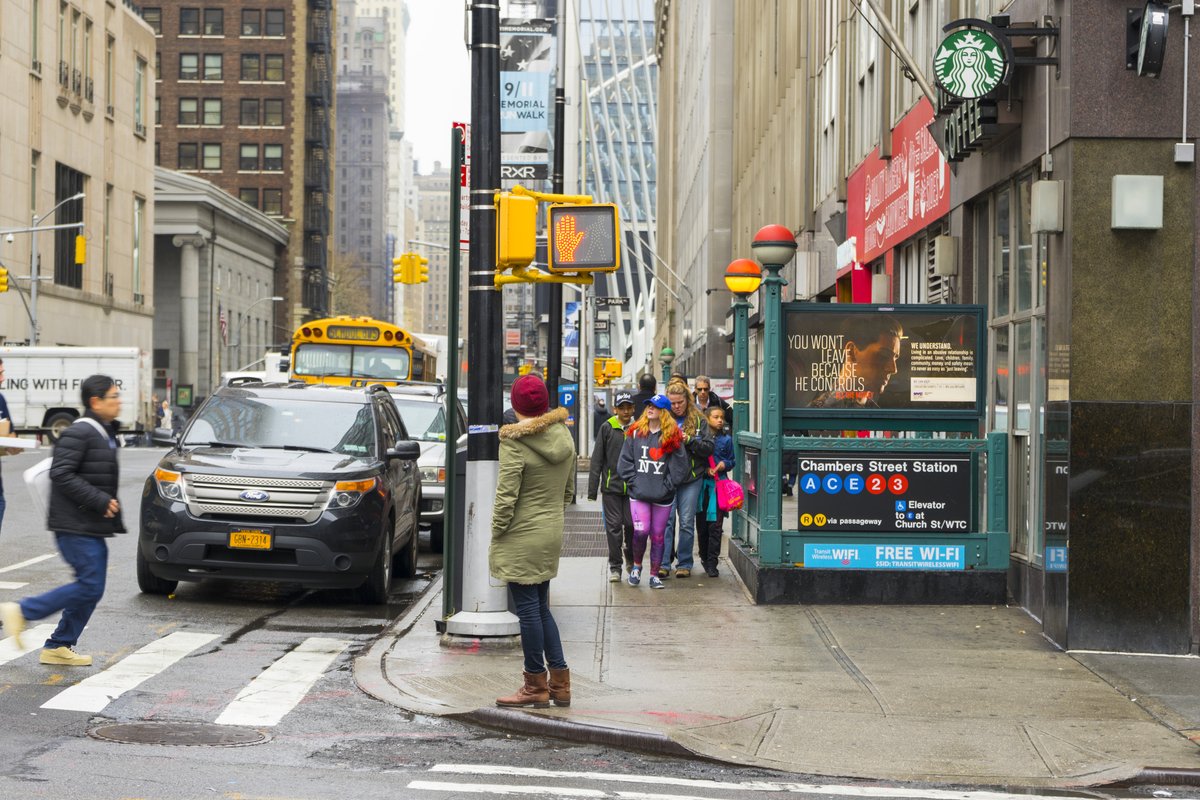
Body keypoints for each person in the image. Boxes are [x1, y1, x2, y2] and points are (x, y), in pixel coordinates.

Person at [0, 375, 126, 666]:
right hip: (73, 525)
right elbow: (61, 473)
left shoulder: (103, 431)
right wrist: (99, 500)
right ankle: (23, 611)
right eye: (113, 396)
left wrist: (106, 507)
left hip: (89, 523)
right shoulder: (80, 432)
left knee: (91, 587)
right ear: (95, 401)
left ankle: (59, 644)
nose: (118, 402)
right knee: (90, 586)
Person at [491, 374, 577, 709]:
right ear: (543, 403)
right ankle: (560, 684)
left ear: (516, 406)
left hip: (520, 534)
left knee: (527, 610)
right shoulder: (563, 436)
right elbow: (569, 492)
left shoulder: (514, 441)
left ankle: (534, 685)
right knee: (541, 607)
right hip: (550, 530)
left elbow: (506, 495)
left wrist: (497, 530)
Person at [617, 394, 688, 589]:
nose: (650, 408)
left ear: (663, 412)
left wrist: (667, 486)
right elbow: (624, 462)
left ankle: (654, 574)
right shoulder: (635, 432)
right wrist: (635, 482)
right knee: (640, 531)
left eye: (655, 406)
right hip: (639, 494)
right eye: (648, 405)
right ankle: (637, 567)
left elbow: (680, 467)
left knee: (658, 536)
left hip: (662, 497)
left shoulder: (672, 436)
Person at [660, 379, 713, 579]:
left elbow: (708, 448)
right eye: (672, 403)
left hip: (692, 478)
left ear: (687, 400)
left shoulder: (700, 420)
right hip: (668, 478)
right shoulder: (663, 419)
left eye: (680, 402)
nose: (676, 407)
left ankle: (684, 563)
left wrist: (689, 440)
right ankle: (664, 563)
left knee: (687, 522)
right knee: (666, 521)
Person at [588, 391, 636, 582]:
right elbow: (597, 459)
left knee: (633, 526)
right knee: (614, 528)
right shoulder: (607, 428)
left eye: (629, 407)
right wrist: (592, 490)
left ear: (633, 409)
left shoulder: (639, 429)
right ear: (615, 409)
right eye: (622, 408)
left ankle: (631, 558)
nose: (625, 411)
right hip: (611, 488)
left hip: (633, 488)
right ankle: (615, 566)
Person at [808, 317, 904, 408]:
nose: (893, 369)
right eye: (884, 356)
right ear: (852, 352)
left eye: (895, 358)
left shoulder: (877, 413)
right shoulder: (821, 410)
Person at [696, 405, 735, 578]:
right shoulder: (700, 439)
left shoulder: (727, 440)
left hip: (719, 488)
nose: (720, 420)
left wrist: (723, 465)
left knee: (716, 527)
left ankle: (713, 562)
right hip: (702, 487)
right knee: (702, 526)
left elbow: (732, 460)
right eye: (716, 417)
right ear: (707, 418)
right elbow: (695, 461)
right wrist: (705, 470)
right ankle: (704, 557)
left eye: (722, 417)